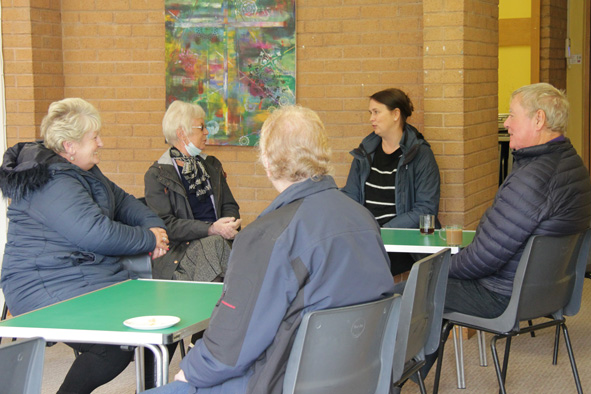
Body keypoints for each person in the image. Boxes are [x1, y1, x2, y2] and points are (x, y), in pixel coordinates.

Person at [145, 105, 396, 394]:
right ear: (323, 154)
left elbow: (229, 350)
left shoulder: (266, 237)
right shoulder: (364, 219)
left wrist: (190, 372)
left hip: (279, 380)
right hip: (358, 379)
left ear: (267, 162)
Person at [0, 98, 169, 394]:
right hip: (41, 282)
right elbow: (96, 233)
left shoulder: (83, 170)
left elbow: (125, 202)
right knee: (115, 346)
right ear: (69, 146)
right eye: (95, 137)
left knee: (150, 326)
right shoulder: (52, 181)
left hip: (79, 273)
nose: (101, 143)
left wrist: (157, 229)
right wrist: (149, 239)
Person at [445, 82, 591, 318]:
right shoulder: (573, 164)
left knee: (407, 294)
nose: (506, 123)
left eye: (512, 115)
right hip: (549, 293)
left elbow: (484, 258)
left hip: (503, 294)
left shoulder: (533, 179)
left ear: (538, 119)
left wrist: (439, 269)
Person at [342, 88, 441, 275]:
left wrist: (381, 232)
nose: (371, 118)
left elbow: (426, 209)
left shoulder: (420, 155)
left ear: (396, 114)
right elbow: (351, 196)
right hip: (368, 237)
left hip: (402, 242)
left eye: (377, 112)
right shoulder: (365, 152)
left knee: (356, 269)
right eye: (370, 113)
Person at [144, 100, 241, 282]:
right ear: (182, 133)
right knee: (215, 246)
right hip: (180, 252)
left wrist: (229, 224)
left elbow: (229, 205)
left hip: (219, 242)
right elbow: (167, 225)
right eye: (201, 127)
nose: (206, 132)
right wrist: (211, 229)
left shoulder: (211, 165)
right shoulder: (157, 174)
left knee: (247, 244)